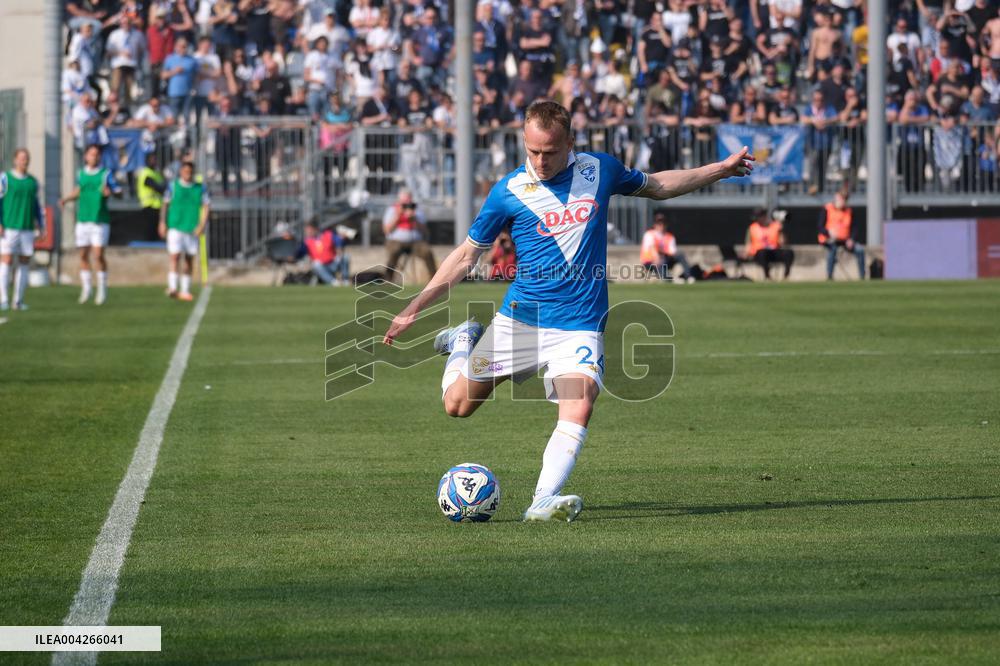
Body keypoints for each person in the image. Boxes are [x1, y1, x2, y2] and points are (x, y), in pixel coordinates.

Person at [382, 101, 753, 522]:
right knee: (457, 406)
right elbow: (467, 255)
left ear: (570, 142)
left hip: (580, 323)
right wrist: (414, 307)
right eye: (533, 151)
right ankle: (463, 341)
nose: (541, 161)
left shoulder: (601, 170)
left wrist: (719, 169)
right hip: (521, 320)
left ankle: (542, 500)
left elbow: (659, 185)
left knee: (580, 400)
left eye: (550, 152)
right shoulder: (508, 191)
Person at [59, 144, 123, 305]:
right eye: (91, 154)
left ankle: (102, 288)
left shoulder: (105, 174)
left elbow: (118, 192)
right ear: (86, 156)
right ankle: (86, 288)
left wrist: (110, 192)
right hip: (83, 219)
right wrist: (66, 199)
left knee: (98, 255)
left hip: (99, 220)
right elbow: (79, 190)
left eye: (97, 154)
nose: (94, 157)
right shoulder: (81, 173)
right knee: (83, 255)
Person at [0, 149, 46, 311]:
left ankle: (18, 301)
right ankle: (3, 300)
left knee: (24, 262)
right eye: (21, 158)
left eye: (26, 158)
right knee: (6, 261)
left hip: (26, 228)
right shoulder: (5, 178)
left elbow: (37, 206)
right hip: (9, 227)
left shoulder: (33, 182)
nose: (24, 161)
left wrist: (41, 225)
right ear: (15, 160)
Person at [158, 161, 209, 301]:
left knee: (189, 259)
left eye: (190, 171)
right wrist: (162, 222)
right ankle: (173, 288)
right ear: (181, 172)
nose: (188, 174)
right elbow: (165, 204)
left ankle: (185, 290)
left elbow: (206, 206)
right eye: (185, 171)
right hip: (175, 226)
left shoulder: (200, 188)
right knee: (174, 256)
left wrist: (202, 225)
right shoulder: (172, 186)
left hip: (192, 228)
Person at [382, 188, 437, 281]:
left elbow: (425, 231)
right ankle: (388, 279)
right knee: (394, 251)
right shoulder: (391, 210)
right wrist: (398, 216)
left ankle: (435, 280)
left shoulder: (417, 211)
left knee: (427, 251)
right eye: (404, 203)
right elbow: (387, 230)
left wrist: (414, 219)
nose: (407, 205)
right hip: (395, 241)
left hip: (415, 242)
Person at [818, 190, 865, 280]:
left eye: (844, 199)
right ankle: (829, 276)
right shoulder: (827, 209)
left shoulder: (849, 211)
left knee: (860, 250)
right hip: (829, 240)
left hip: (845, 240)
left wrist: (851, 239)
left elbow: (855, 228)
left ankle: (862, 276)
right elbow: (820, 227)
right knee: (833, 249)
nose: (842, 201)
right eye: (840, 199)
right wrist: (828, 232)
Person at [744, 208, 794, 280]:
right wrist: (746, 253)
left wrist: (781, 230)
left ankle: (786, 276)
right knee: (762, 253)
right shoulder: (752, 227)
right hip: (759, 253)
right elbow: (748, 243)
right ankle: (767, 276)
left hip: (774, 251)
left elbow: (783, 242)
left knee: (788, 253)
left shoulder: (775, 226)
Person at [303, 220, 349, 286]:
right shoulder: (307, 242)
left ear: (315, 229)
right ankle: (333, 282)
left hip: (333, 263)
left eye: (309, 230)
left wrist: (342, 239)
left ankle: (345, 280)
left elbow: (338, 241)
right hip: (321, 267)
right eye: (306, 231)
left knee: (346, 256)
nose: (308, 233)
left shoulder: (328, 234)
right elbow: (300, 253)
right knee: (316, 264)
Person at [136, 152, 166, 241]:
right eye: (151, 159)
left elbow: (163, 186)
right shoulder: (145, 173)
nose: (154, 161)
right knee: (150, 229)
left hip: (157, 205)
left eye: (155, 159)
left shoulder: (156, 173)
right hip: (148, 205)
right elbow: (157, 187)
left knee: (156, 229)